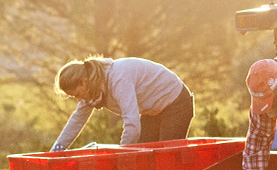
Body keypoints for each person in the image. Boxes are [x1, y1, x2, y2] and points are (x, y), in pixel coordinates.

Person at [50, 56, 193, 151]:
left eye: (77, 95)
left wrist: (121, 154)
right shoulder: (91, 92)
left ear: (84, 82)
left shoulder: (118, 79)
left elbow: (132, 124)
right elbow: (76, 122)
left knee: (166, 155)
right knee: (143, 155)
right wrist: (55, 153)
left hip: (176, 102)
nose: (79, 100)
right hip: (152, 110)